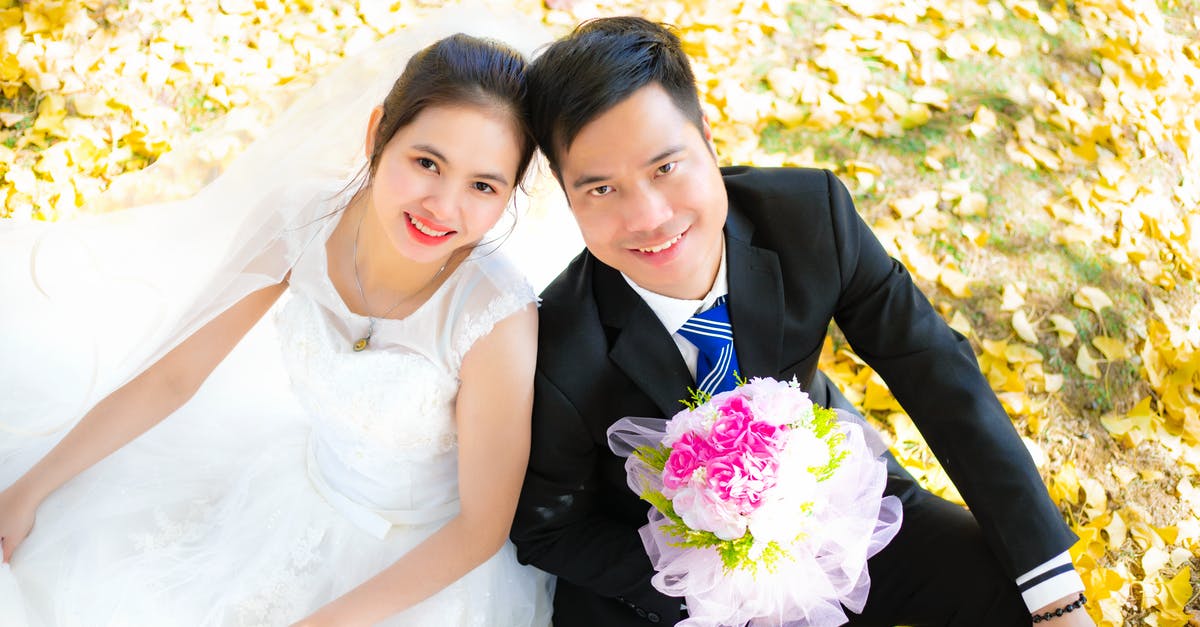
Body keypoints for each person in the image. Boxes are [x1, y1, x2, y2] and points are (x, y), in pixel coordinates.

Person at [510, 16, 1093, 627]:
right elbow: (549, 531)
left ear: (708, 139)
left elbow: (939, 378)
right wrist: (718, 585)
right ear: (568, 195)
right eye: (601, 190)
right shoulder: (559, 344)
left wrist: (1055, 596)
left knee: (1017, 593)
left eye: (665, 168)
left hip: (829, 505)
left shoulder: (811, 218)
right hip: (666, 576)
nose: (649, 217)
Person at [0, 17, 554, 627]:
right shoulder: (300, 222)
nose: (444, 207)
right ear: (378, 135)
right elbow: (174, 376)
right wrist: (29, 490)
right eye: (426, 162)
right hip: (290, 498)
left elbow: (479, 529)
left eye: (483, 185)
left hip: (425, 566)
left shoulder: (496, 313)